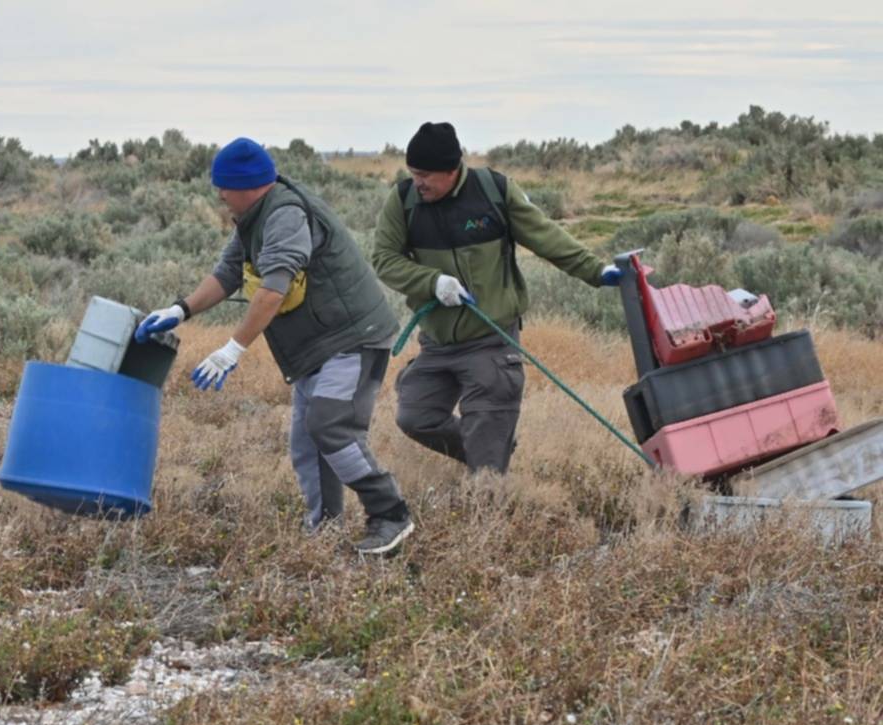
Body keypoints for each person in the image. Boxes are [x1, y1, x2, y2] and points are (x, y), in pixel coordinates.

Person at [135, 137, 413, 555]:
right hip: (315, 347)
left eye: (223, 186)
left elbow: (273, 289)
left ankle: (390, 514)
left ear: (245, 185)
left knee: (329, 425)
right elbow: (230, 273)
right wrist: (180, 310)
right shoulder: (254, 218)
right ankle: (326, 529)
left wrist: (233, 349)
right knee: (307, 442)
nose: (220, 195)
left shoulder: (284, 215)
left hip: (351, 339)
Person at [371, 122, 621, 474]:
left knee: (486, 468)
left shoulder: (494, 191)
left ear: (452, 169)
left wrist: (596, 271)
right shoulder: (403, 201)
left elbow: (546, 237)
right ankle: (489, 451)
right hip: (437, 343)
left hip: (491, 342)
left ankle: (488, 473)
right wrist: (433, 282)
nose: (418, 182)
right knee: (415, 416)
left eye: (425, 175)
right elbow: (383, 259)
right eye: (413, 173)